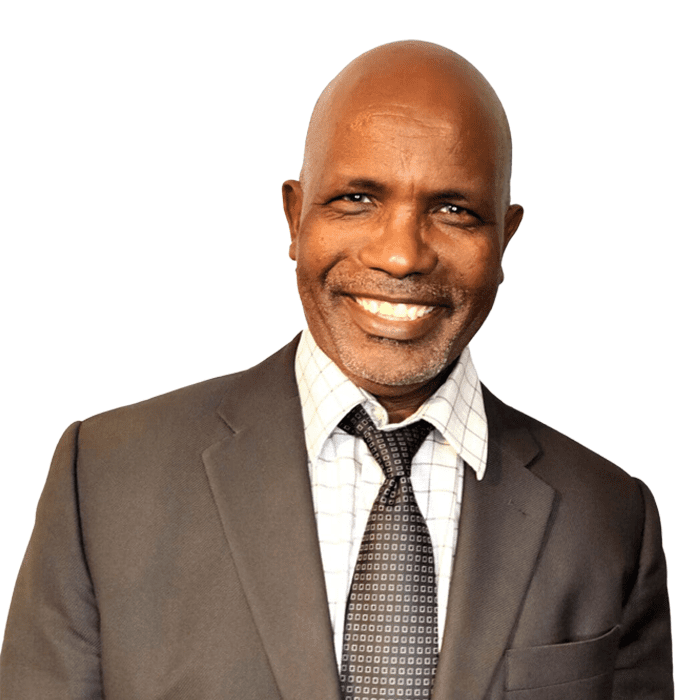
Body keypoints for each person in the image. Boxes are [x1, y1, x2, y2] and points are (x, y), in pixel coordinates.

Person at [0, 40, 672, 700]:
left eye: (454, 210)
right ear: (295, 217)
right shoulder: (106, 481)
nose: (402, 256)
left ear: (504, 238)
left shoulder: (609, 518)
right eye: (357, 199)